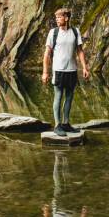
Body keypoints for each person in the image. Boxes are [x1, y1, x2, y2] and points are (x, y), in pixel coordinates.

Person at [41, 7, 89, 136]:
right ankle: (57, 125)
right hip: (58, 70)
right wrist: (45, 72)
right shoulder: (53, 33)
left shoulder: (75, 31)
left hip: (72, 70)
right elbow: (46, 54)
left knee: (69, 96)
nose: (57, 20)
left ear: (66, 18)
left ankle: (66, 123)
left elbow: (80, 51)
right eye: (56, 18)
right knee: (58, 95)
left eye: (59, 17)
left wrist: (84, 67)